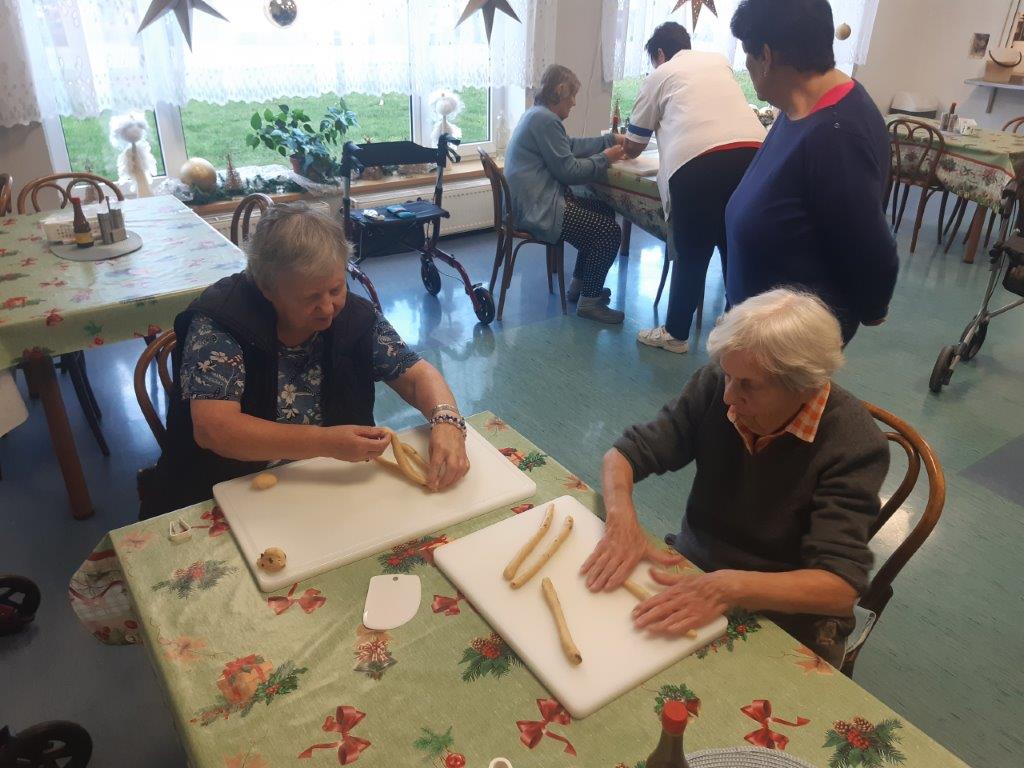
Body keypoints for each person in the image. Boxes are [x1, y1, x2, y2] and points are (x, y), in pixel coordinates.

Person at [580, 289, 889, 666]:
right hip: (699, 568)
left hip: (788, 609)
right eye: (728, 375)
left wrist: (732, 586)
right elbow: (625, 454)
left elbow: (838, 589)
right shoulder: (718, 383)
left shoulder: (854, 443)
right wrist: (622, 519)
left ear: (805, 387)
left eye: (748, 384)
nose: (728, 396)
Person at [140, 203, 470, 518]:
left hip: (324, 485)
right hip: (225, 489)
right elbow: (215, 429)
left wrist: (446, 421)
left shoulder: (355, 318)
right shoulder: (221, 322)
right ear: (267, 288)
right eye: (310, 297)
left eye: (336, 289)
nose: (327, 308)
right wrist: (324, 442)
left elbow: (415, 375)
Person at [725, 0, 898, 344]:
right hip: (758, 328)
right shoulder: (801, 106)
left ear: (766, 56)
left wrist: (872, 306)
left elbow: (873, 249)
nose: (746, 65)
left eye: (747, 55)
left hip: (787, 342)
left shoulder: (836, 134)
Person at [622, 22, 765, 354]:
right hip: (754, 154)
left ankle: (675, 334)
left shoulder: (661, 74)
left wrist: (622, 144)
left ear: (660, 54)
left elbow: (634, 145)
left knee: (693, 252)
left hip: (699, 161)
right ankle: (737, 324)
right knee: (734, 244)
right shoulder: (718, 61)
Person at [504, 64, 627, 324]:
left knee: (604, 210)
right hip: (539, 209)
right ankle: (589, 302)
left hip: (530, 202)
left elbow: (568, 146)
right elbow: (569, 172)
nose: (573, 102)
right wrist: (605, 158)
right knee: (609, 233)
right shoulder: (546, 120)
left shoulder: (537, 115)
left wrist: (607, 141)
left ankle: (580, 286)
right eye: (571, 95)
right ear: (559, 92)